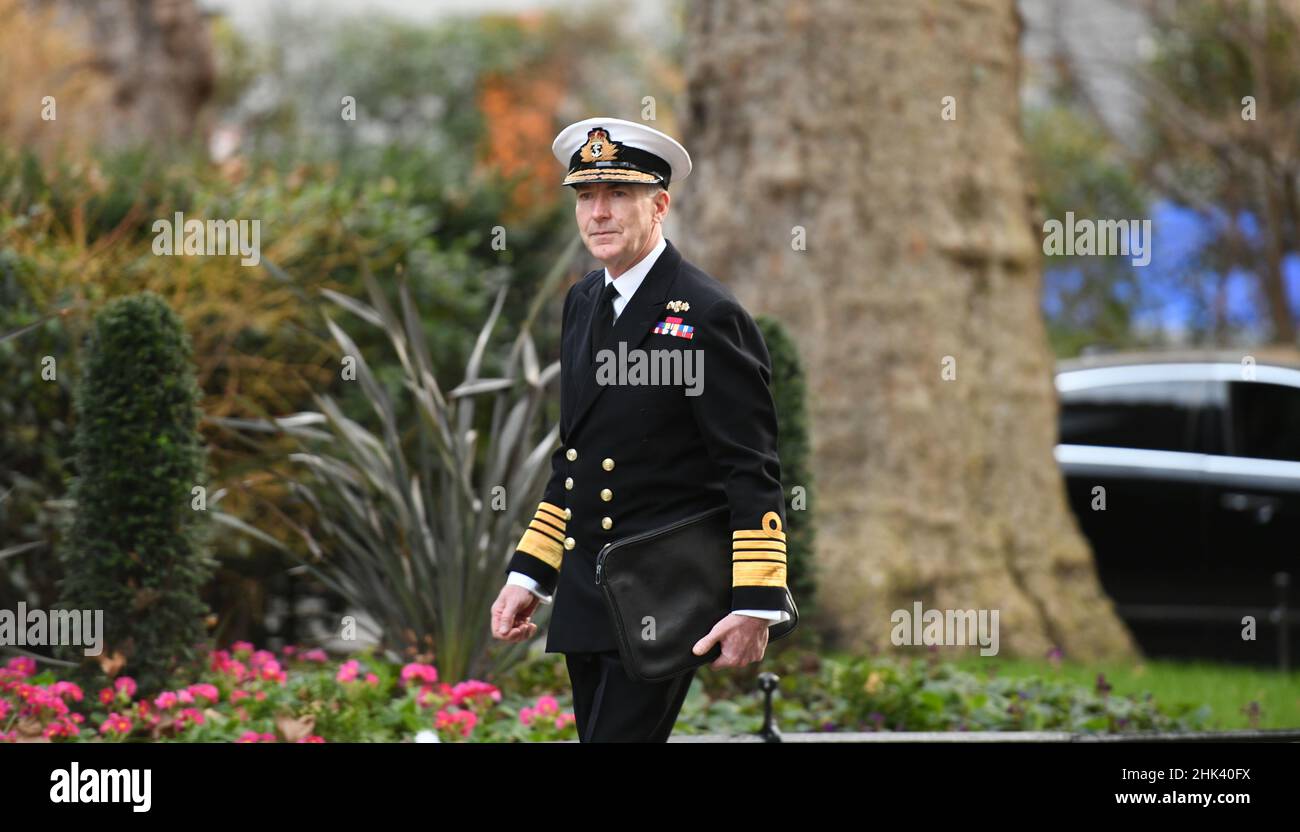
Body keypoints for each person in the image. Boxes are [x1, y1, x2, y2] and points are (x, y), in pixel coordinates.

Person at [490, 117, 792, 742]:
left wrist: (755, 601)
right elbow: (574, 460)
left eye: (617, 195)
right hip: (585, 593)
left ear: (659, 205)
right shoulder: (581, 303)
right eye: (585, 196)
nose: (598, 213)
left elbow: (750, 466)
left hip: (663, 591)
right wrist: (530, 575)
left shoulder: (707, 314)